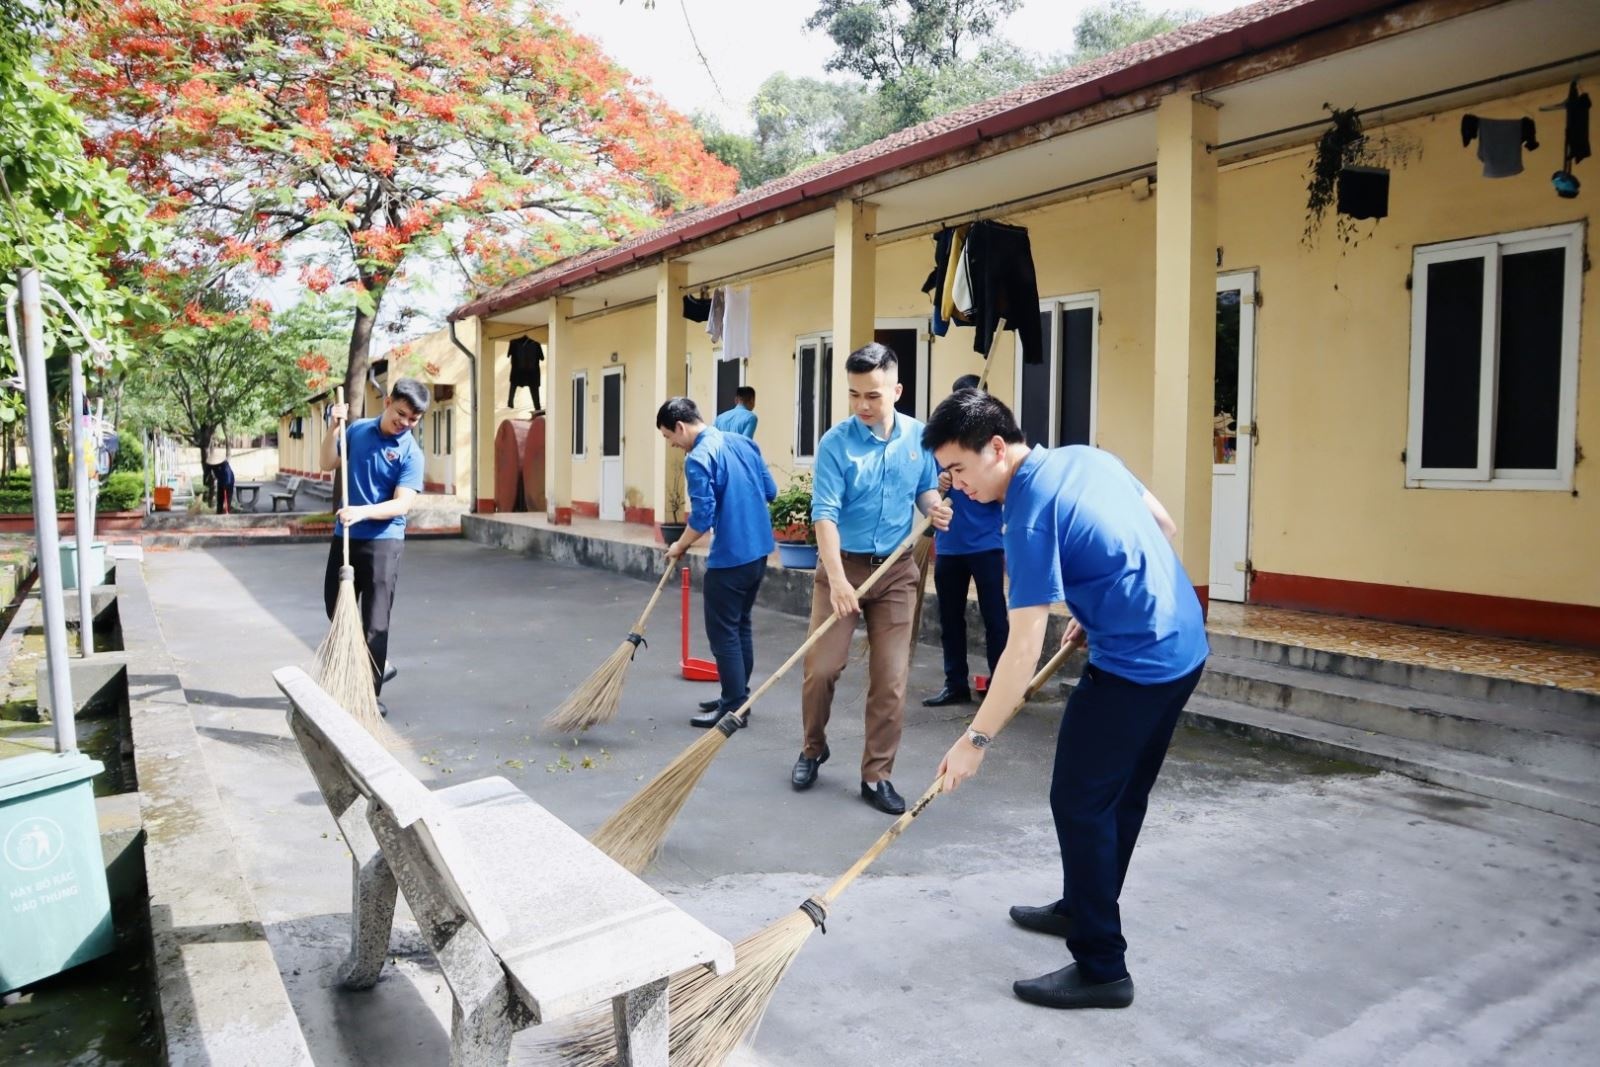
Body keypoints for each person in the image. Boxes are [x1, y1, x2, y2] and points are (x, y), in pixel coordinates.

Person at [922, 389, 1208, 1011]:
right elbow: (1162, 526)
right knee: (1118, 796)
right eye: (946, 475)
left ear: (996, 449)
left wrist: (975, 739)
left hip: (1136, 666)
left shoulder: (1025, 513)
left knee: (1078, 801)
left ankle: (1102, 966)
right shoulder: (1087, 457)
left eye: (959, 470)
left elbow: (1022, 649)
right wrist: (1096, 604)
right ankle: (1084, 904)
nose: (955, 487)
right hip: (1185, 644)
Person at [794, 342, 951, 815]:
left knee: (891, 679)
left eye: (874, 396)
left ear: (896, 390)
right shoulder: (835, 443)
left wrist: (934, 508)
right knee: (822, 668)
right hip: (843, 567)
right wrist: (839, 581)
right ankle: (812, 747)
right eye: (855, 394)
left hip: (898, 569)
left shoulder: (920, 439)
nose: (863, 405)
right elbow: (824, 514)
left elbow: (923, 490)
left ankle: (876, 774)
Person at [657, 397, 778, 729]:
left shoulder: (698, 458)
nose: (673, 444)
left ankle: (733, 707)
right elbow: (771, 491)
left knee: (724, 633)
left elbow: (703, 516)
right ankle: (737, 696)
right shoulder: (742, 442)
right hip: (758, 552)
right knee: (741, 626)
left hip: (730, 557)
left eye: (669, 437)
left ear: (680, 427)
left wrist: (678, 545)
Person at [320, 379, 428, 716]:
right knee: (336, 608)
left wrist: (362, 512)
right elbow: (327, 463)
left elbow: (402, 505)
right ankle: (376, 662)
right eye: (401, 414)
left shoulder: (411, 453)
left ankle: (369, 695)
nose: (405, 423)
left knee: (375, 622)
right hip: (347, 537)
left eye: (413, 419)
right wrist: (332, 430)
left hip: (384, 541)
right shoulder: (357, 431)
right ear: (388, 401)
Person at [922, 374, 1008, 708]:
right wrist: (940, 484)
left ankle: (1001, 686)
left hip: (987, 543)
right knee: (950, 618)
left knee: (995, 617)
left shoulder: (992, 446)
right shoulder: (941, 448)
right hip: (949, 545)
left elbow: (1004, 493)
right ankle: (954, 683)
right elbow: (927, 496)